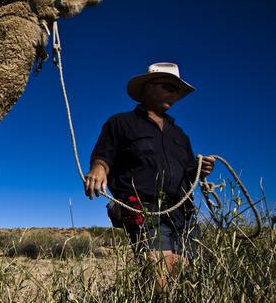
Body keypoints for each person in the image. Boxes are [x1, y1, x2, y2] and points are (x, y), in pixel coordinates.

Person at [84, 62, 215, 287]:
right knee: (160, 275)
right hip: (144, 206)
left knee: (184, 276)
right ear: (147, 87)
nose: (173, 94)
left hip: (183, 211)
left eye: (176, 91)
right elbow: (103, 155)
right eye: (168, 87)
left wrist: (199, 171)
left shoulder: (180, 135)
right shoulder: (120, 123)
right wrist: (98, 168)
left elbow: (187, 169)